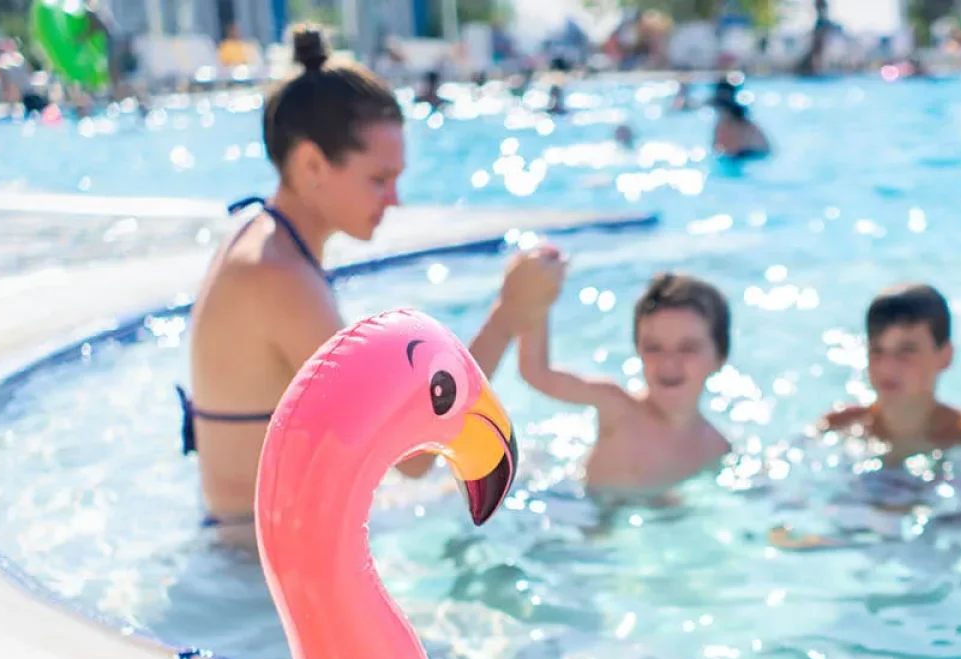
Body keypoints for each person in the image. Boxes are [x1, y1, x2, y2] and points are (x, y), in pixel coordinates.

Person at [180, 26, 562, 530]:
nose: (395, 199)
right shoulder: (279, 277)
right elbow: (418, 456)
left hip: (253, 542)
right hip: (253, 570)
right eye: (379, 179)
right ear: (312, 164)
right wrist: (509, 313)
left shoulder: (264, 240)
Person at [515, 269, 733, 492]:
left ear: (720, 357)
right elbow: (536, 372)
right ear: (638, 350)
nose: (668, 363)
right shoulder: (617, 408)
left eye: (687, 348)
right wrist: (536, 299)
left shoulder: (716, 447)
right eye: (653, 348)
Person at [818, 284, 961, 462]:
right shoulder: (839, 427)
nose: (887, 366)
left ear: (945, 356)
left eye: (906, 351)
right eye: (877, 350)